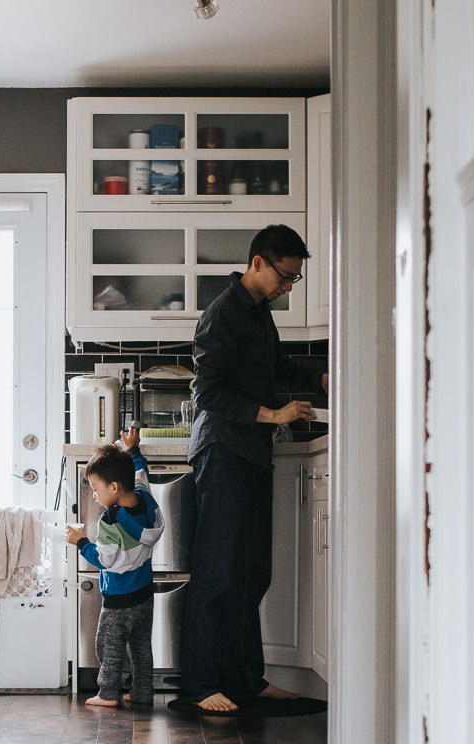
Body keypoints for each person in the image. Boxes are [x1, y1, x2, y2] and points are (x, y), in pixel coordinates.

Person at [180, 224, 329, 712]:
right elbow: (208, 393)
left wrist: (325, 378)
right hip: (222, 451)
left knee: (251, 573)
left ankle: (246, 680)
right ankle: (202, 686)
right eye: (285, 277)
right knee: (217, 573)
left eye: (295, 281)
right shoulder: (222, 315)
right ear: (259, 263)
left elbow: (278, 369)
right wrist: (275, 414)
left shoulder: (260, 315)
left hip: (249, 452)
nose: (288, 287)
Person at [65, 428, 166, 708]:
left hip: (119, 600)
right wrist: (133, 449)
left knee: (108, 646)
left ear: (113, 487)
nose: (95, 496)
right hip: (144, 594)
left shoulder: (109, 523)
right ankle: (142, 692)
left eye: (96, 489)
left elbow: (104, 560)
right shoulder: (145, 497)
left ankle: (108, 693)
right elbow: (140, 471)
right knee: (141, 647)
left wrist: (81, 541)